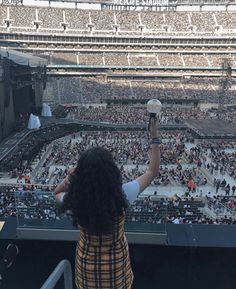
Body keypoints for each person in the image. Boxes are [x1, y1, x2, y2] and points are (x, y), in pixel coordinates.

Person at [54, 118, 160, 289]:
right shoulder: (122, 194)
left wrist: (69, 178)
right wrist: (154, 137)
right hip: (116, 269)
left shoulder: (76, 199)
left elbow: (57, 192)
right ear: (111, 171)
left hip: (86, 269)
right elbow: (152, 171)